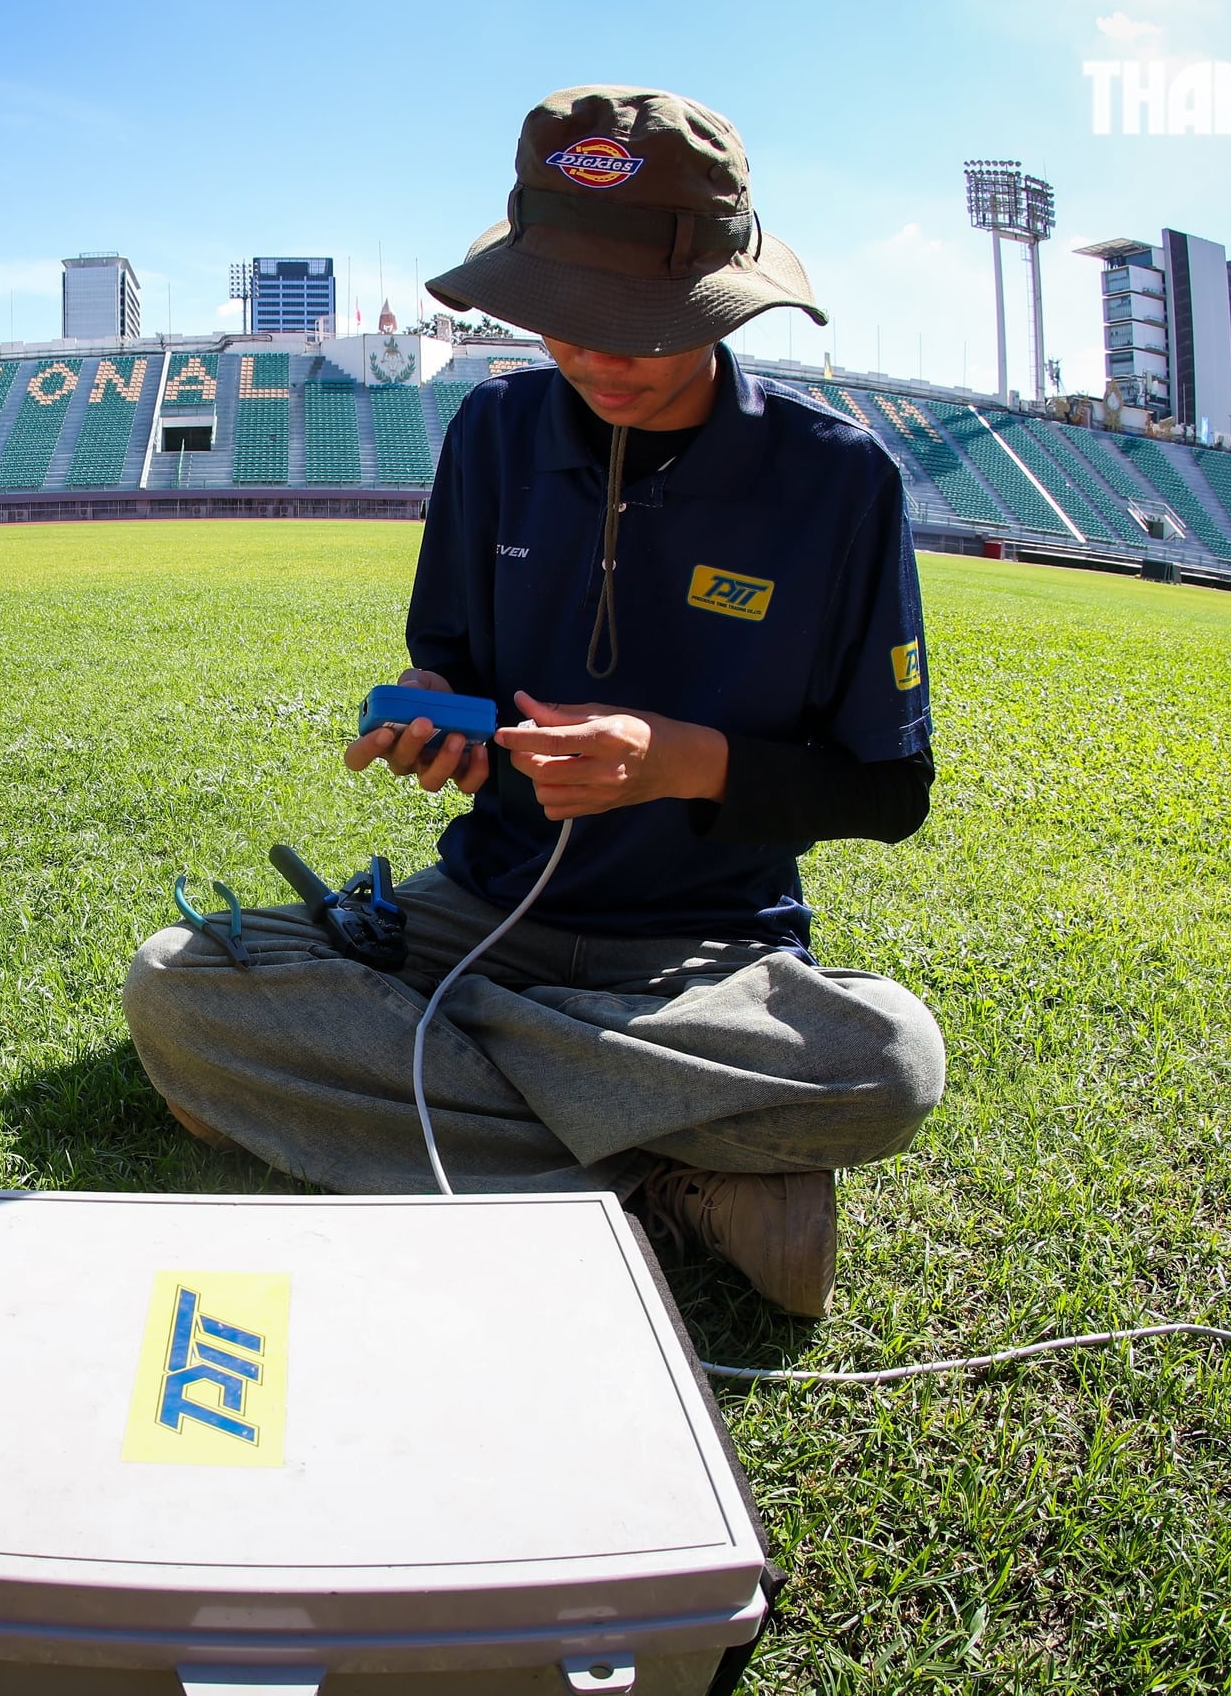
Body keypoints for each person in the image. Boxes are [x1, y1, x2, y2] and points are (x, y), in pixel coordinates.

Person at [122, 85, 944, 1317]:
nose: (597, 359)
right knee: (174, 986)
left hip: (705, 958)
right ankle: (666, 1175)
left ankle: (443, 1080)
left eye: (641, 326)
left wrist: (682, 762)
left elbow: (888, 789)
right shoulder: (493, 432)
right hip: (478, 906)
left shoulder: (839, 480)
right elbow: (444, 654)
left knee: (888, 1063)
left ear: (724, 303)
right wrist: (431, 712)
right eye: (562, 321)